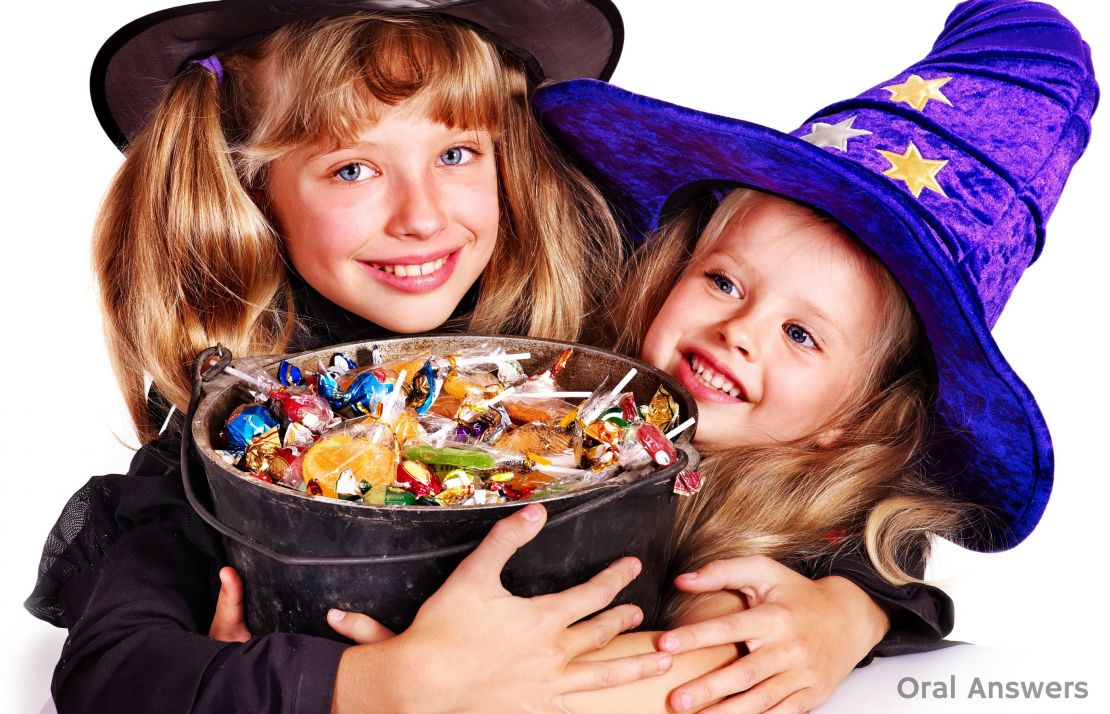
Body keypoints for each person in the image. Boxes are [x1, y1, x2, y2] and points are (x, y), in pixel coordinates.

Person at [328, 1, 1099, 711]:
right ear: (674, 271)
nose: (740, 331)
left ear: (857, 415)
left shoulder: (805, 538)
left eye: (801, 334)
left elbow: (708, 662)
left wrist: (845, 611)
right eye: (724, 282)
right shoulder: (559, 388)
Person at [26, 3, 677, 712]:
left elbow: (760, 470)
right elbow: (110, 673)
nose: (422, 217)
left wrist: (775, 602)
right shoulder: (242, 432)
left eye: (455, 154)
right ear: (253, 191)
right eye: (354, 169)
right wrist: (375, 687)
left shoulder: (608, 357)